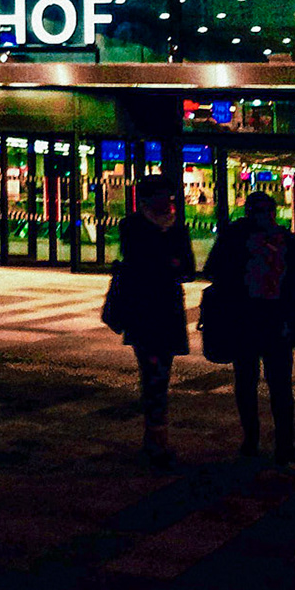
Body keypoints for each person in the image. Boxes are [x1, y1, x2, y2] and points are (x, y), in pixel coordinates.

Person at [203, 189, 295, 464]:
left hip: (252, 320)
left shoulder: (236, 239)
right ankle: (277, 444)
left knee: (251, 382)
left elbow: (212, 271)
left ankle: (255, 441)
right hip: (268, 321)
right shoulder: (283, 241)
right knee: (275, 384)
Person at [110, 176, 195, 466]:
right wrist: (169, 262)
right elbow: (142, 264)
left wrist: (169, 263)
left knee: (162, 373)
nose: (169, 202)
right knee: (152, 372)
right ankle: (155, 439)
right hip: (144, 310)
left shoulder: (177, 228)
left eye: (170, 196)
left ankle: (156, 437)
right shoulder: (133, 226)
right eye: (164, 196)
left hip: (168, 310)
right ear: (147, 199)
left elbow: (187, 268)